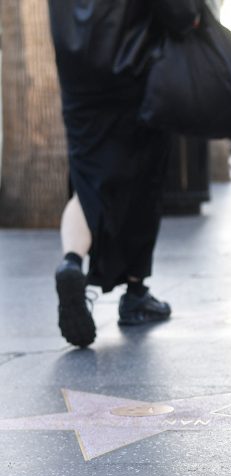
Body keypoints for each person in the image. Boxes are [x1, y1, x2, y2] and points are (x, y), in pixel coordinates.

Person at [48, 0, 202, 348]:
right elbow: (178, 13)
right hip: (133, 73)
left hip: (77, 78)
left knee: (86, 180)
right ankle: (135, 293)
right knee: (143, 181)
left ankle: (72, 262)